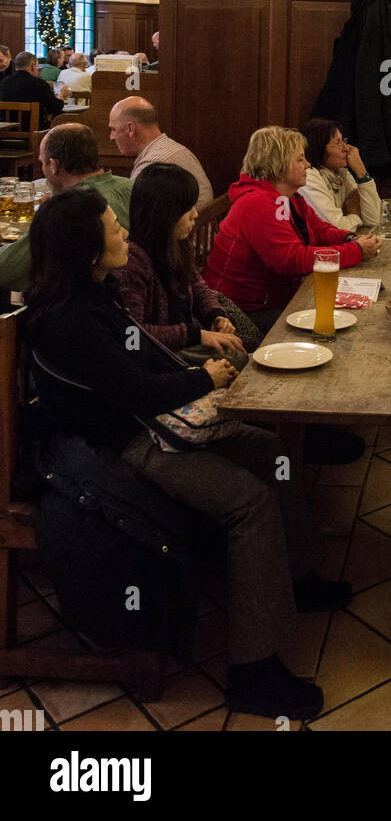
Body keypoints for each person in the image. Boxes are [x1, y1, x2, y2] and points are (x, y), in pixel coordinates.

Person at [25, 188, 350, 721]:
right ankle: (253, 670)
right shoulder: (71, 320)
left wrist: (197, 364)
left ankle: (299, 574)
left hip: (152, 425)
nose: (124, 232)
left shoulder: (94, 293)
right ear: (86, 252)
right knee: (249, 502)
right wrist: (204, 375)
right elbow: (133, 394)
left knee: (271, 452)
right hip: (124, 449)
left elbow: (142, 364)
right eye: (113, 228)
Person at [204, 125, 382, 336]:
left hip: (275, 299)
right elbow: (291, 260)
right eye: (299, 159)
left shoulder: (289, 198)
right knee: (343, 325)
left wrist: (351, 238)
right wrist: (356, 250)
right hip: (242, 314)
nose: (308, 164)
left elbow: (320, 230)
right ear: (277, 166)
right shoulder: (259, 203)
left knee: (349, 317)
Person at [116, 162, 246, 361]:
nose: (195, 214)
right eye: (187, 208)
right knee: (236, 358)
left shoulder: (175, 244)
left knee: (237, 350)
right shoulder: (133, 262)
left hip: (184, 341)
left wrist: (215, 316)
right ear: (163, 213)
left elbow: (198, 287)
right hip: (158, 355)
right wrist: (196, 334)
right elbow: (133, 334)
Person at [0, 122, 132, 293]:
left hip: (83, 302)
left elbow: (6, 270)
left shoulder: (74, 209)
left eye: (43, 163)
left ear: (53, 166)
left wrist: (51, 215)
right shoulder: (133, 187)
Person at [109, 97, 213, 205]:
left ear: (131, 128)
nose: (111, 137)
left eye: (113, 129)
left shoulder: (153, 165)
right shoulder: (175, 148)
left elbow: (133, 214)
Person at [298, 118, 382, 232]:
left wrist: (362, 173)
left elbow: (373, 219)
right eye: (338, 143)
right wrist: (354, 215)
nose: (346, 148)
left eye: (344, 141)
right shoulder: (308, 177)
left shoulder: (341, 172)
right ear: (319, 148)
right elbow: (336, 228)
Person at [0, 51, 68, 126]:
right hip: (33, 129)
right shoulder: (39, 84)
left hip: (6, 128)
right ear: (32, 66)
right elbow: (54, 108)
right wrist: (61, 96)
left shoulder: (4, 82)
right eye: (37, 66)